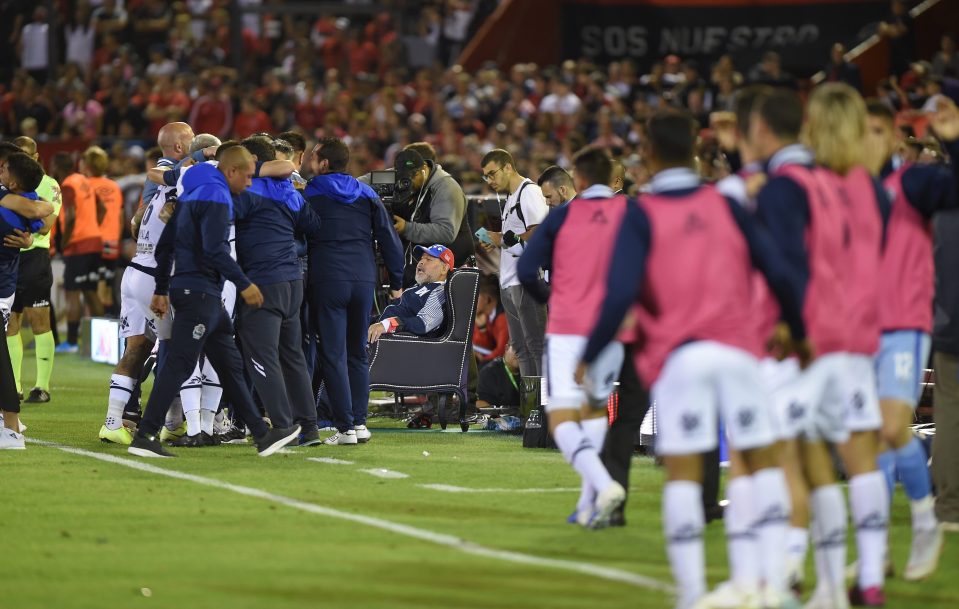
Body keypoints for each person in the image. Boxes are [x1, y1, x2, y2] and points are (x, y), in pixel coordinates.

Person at [582, 110, 805, 609]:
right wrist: (799, 329)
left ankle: (691, 594)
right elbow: (779, 270)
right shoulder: (727, 202)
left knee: (682, 473)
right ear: (695, 150)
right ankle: (771, 580)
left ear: (651, 154)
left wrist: (592, 352)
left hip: (681, 357)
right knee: (760, 463)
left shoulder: (641, 213)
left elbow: (618, 294)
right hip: (740, 351)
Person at [128, 145, 300, 458]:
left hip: (198, 293)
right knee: (179, 363)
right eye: (247, 176)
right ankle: (146, 434)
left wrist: (162, 288)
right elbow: (215, 250)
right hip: (201, 293)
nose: (249, 183)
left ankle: (263, 434)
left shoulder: (191, 193)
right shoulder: (218, 197)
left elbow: (166, 245)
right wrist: (244, 283)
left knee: (230, 366)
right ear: (231, 171)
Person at [804, 84, 891, 607]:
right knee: (862, 461)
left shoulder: (805, 187)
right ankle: (872, 579)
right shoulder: (875, 189)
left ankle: (832, 585)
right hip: (862, 340)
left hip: (814, 342)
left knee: (817, 468)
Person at [866, 99, 959, 579]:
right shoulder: (833, 190)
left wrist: (955, 142)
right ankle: (874, 550)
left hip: (903, 324)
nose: (869, 140)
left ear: (896, 140)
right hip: (851, 331)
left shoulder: (912, 182)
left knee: (888, 427)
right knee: (865, 439)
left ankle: (925, 519)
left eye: (879, 131)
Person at [517, 146, 628, 529]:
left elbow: (527, 268)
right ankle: (588, 505)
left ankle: (603, 484)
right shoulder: (631, 213)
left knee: (562, 418)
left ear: (578, 180)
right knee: (595, 408)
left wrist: (554, 298)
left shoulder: (562, 217)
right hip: (613, 328)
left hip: (568, 328)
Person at [304, 137, 404, 446]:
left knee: (333, 355)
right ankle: (359, 424)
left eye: (313, 158)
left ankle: (345, 427)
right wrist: (397, 281)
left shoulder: (310, 191)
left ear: (323, 163)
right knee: (357, 352)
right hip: (363, 279)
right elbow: (389, 238)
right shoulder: (367, 192)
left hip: (328, 278)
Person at [232, 136, 322, 446]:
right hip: (292, 282)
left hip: (262, 283)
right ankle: (309, 428)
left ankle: (283, 426)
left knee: (261, 357)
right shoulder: (288, 189)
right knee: (292, 357)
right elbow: (312, 224)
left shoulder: (245, 189)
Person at [480, 148, 549, 376]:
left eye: (492, 174)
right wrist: (498, 240)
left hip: (525, 280)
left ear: (508, 167)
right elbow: (516, 238)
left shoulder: (529, 192)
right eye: (486, 177)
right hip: (509, 281)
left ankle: (544, 406)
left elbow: (539, 235)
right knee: (521, 348)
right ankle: (529, 407)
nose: (490, 181)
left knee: (536, 346)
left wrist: (500, 238)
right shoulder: (512, 197)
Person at [4, 138, 59, 404]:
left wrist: (28, 232)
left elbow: (46, 224)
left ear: (36, 157)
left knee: (39, 320)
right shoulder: (6, 184)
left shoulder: (49, 184)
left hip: (34, 257)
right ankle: (13, 386)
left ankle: (42, 386)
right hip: (9, 257)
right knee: (10, 324)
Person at [0, 153, 46, 449]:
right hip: (5, 289)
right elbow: (45, 214)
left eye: (3, 167)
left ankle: (11, 427)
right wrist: (31, 234)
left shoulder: (7, 200)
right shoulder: (23, 204)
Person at [390, 145, 474, 287]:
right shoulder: (410, 180)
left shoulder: (446, 188)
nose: (406, 181)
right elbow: (367, 180)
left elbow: (446, 232)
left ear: (423, 168)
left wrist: (406, 228)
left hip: (448, 273)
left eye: (411, 175)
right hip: (422, 271)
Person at [53, 151, 104, 352]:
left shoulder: (67, 185)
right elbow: (102, 208)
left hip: (78, 245)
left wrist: (64, 243)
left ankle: (72, 342)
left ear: (57, 167)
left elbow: (71, 216)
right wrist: (93, 227)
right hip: (94, 242)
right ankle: (101, 344)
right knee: (91, 292)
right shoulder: (83, 180)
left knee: (72, 293)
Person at [369, 244, 452, 343]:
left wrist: (388, 325)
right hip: (382, 333)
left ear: (444, 269)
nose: (421, 262)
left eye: (429, 259)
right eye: (421, 258)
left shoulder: (440, 291)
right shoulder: (418, 287)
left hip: (398, 344)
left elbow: (422, 324)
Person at [82, 146, 123, 315]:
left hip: (93, 243)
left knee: (91, 291)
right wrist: (116, 239)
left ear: (87, 165)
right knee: (107, 290)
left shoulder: (84, 186)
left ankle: (92, 336)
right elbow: (120, 217)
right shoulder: (114, 186)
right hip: (112, 242)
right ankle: (111, 333)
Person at [473, 275, 509, 368]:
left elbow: (502, 351)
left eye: (474, 296)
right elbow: (488, 347)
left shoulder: (503, 318)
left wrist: (483, 363)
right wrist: (482, 329)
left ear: (487, 299)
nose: (471, 301)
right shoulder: (486, 317)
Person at [476, 342, 522, 409]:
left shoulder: (531, 371)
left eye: (525, 351)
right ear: (507, 348)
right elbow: (480, 403)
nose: (521, 354)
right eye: (517, 349)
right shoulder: (489, 373)